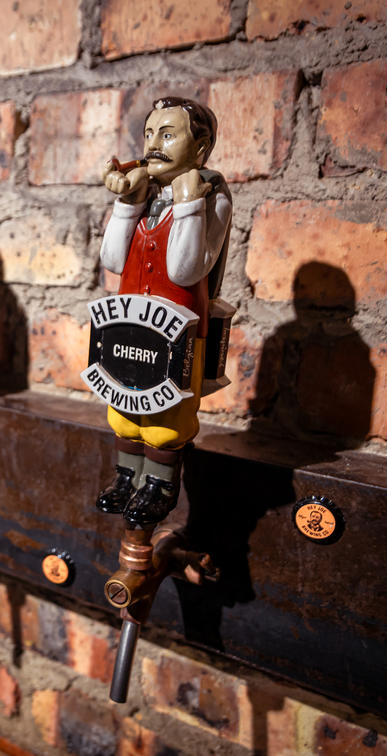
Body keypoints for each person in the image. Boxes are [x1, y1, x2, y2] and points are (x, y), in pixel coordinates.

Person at [95, 97, 232, 525]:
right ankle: (126, 476)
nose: (154, 145)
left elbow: (185, 269)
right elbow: (112, 260)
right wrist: (127, 203)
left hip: (177, 331)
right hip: (128, 325)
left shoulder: (212, 196)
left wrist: (189, 204)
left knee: (166, 416)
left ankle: (159, 484)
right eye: (150, 134)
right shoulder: (145, 193)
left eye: (168, 135)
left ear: (201, 149)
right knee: (123, 405)